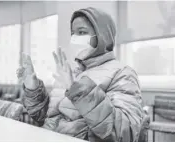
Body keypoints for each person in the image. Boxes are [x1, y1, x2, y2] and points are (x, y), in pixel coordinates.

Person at [16, 7, 144, 142]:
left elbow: (124, 133)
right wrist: (33, 88)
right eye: (73, 33)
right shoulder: (72, 73)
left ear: (102, 36)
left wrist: (78, 91)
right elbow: (46, 118)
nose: (75, 39)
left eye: (82, 32)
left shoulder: (123, 73)